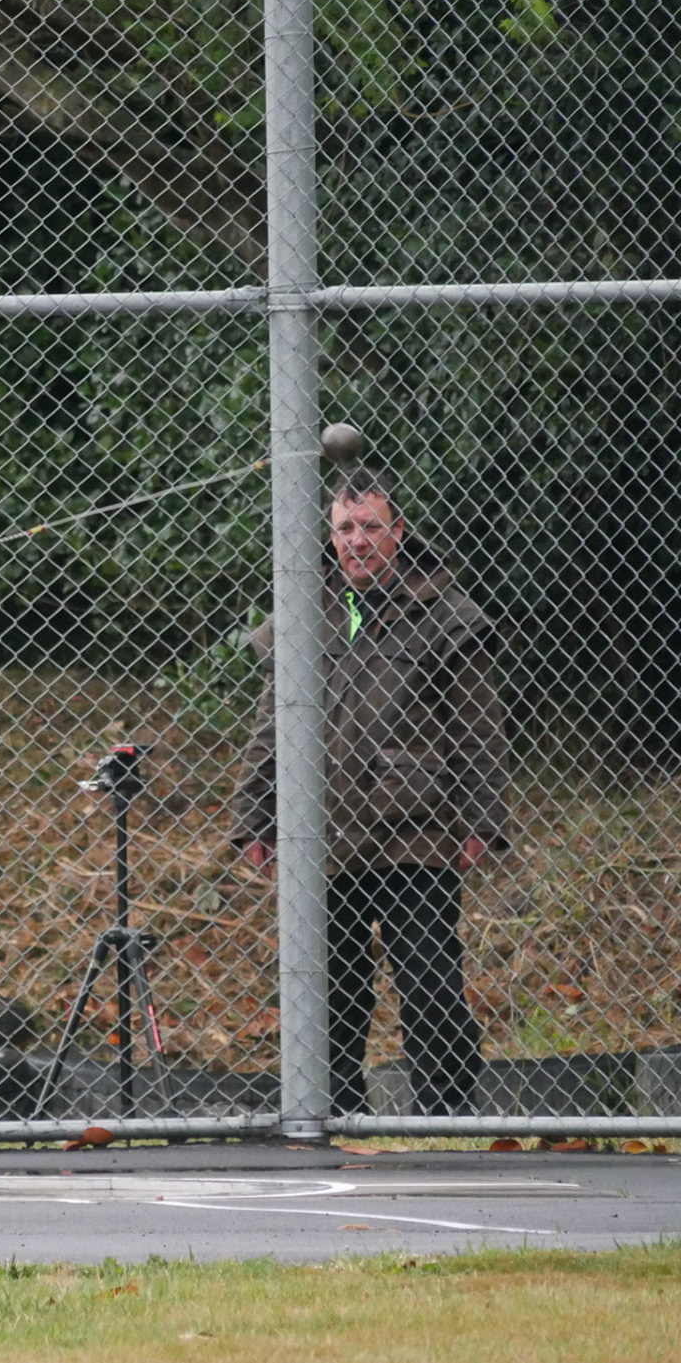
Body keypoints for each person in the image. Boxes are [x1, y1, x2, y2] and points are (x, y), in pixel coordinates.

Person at [229, 468, 510, 1117]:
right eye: (346, 528)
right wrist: (253, 817)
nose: (358, 541)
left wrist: (481, 818)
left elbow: (478, 726)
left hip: (418, 832)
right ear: (330, 535)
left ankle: (446, 1116)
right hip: (322, 835)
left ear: (398, 531)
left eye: (372, 527)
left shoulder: (446, 615)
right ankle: (331, 1115)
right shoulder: (302, 613)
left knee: (431, 984)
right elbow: (272, 725)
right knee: (333, 986)